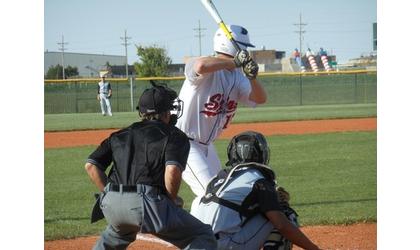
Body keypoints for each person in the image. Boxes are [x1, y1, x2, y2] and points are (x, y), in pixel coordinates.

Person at [85, 82, 217, 250]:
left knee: (116, 236)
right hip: (147, 205)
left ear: (141, 112)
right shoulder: (174, 134)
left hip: (111, 205)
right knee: (203, 235)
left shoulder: (119, 134)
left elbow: (91, 166)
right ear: (166, 113)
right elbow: (172, 170)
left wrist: (108, 194)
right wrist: (171, 199)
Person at [176, 24, 267, 213]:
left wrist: (252, 78)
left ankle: (203, 231)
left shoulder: (237, 77)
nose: (247, 52)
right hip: (184, 142)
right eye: (244, 47)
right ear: (232, 46)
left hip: (206, 146)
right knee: (211, 194)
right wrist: (233, 63)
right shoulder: (205, 66)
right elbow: (200, 66)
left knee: (223, 191)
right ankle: (195, 235)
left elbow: (260, 99)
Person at [193, 131, 321, 250]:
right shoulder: (259, 180)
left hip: (195, 244)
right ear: (261, 154)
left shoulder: (218, 179)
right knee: (284, 215)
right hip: (224, 245)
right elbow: (282, 225)